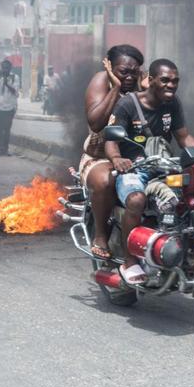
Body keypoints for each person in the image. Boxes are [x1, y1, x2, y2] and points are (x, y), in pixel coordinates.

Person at [105, 58, 194, 284]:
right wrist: (117, 158)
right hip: (134, 168)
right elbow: (110, 139)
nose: (171, 85)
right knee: (136, 200)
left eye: (175, 81)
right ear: (151, 80)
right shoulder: (128, 105)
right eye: (165, 80)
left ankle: (185, 249)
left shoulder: (172, 104)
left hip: (163, 166)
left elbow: (183, 137)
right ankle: (129, 261)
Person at [82, 44, 145, 260]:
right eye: (123, 72)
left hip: (137, 158)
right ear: (109, 67)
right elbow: (96, 122)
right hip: (100, 157)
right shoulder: (102, 80)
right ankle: (101, 235)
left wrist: (148, 90)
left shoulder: (143, 84)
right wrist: (116, 87)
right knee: (107, 180)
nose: (129, 77)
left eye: (133, 72)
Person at [0, 59, 19, 157]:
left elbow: (15, 91)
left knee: (7, 129)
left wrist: (7, 83)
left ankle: (5, 149)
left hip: (10, 107)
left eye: (7, 68)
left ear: (10, 68)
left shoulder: (15, 77)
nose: (5, 69)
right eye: (3, 67)